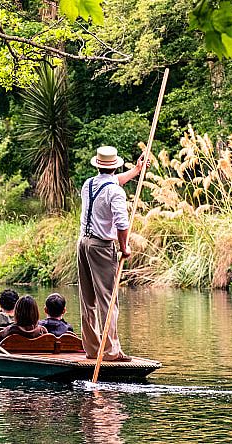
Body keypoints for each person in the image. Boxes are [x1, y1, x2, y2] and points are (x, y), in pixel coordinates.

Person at [78, 146, 145, 361]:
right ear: (115, 167)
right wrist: (124, 247)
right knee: (108, 300)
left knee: (87, 298)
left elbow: (115, 182)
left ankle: (92, 349)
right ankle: (110, 352)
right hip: (101, 247)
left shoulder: (88, 184)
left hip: (83, 243)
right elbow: (122, 224)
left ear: (98, 166)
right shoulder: (115, 191)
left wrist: (136, 170)